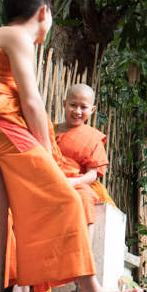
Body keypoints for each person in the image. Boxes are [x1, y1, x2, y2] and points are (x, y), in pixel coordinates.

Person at [0, 0, 142, 292]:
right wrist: (48, 154)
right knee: (65, 199)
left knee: (40, 205)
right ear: (43, 13)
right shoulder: (15, 36)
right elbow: (32, 100)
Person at [55, 83, 117, 237]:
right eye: (73, 105)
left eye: (83, 107)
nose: (77, 111)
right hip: (49, 177)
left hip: (76, 183)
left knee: (84, 199)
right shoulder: (49, 129)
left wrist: (72, 182)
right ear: (64, 104)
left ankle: (84, 253)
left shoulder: (92, 137)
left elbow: (92, 175)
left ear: (92, 110)